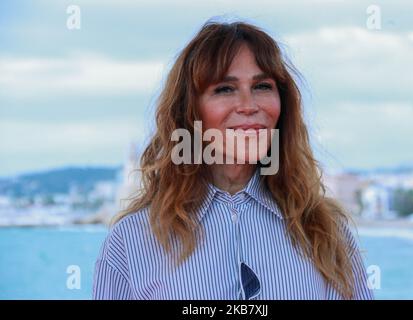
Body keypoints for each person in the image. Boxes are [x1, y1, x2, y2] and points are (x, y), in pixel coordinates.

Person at [92, 19, 374, 300]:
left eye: (262, 86)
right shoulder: (131, 241)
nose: (249, 106)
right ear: (191, 111)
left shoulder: (326, 232)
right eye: (225, 89)